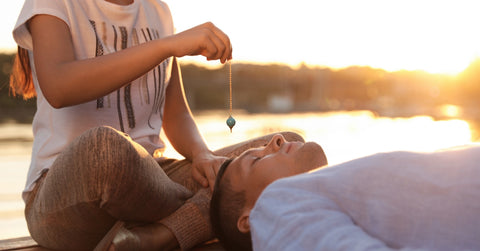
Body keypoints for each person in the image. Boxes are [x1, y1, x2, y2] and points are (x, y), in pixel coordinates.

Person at [9, 0, 306, 250]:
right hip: (67, 194)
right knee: (106, 149)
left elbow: (175, 115)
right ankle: (209, 208)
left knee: (289, 150)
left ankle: (163, 235)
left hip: (155, 181)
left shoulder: (158, 11)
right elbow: (59, 87)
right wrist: (166, 46)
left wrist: (202, 155)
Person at [210, 134, 480, 251]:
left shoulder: (334, 196)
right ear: (249, 218)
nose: (276, 139)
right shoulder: (271, 208)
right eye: (255, 160)